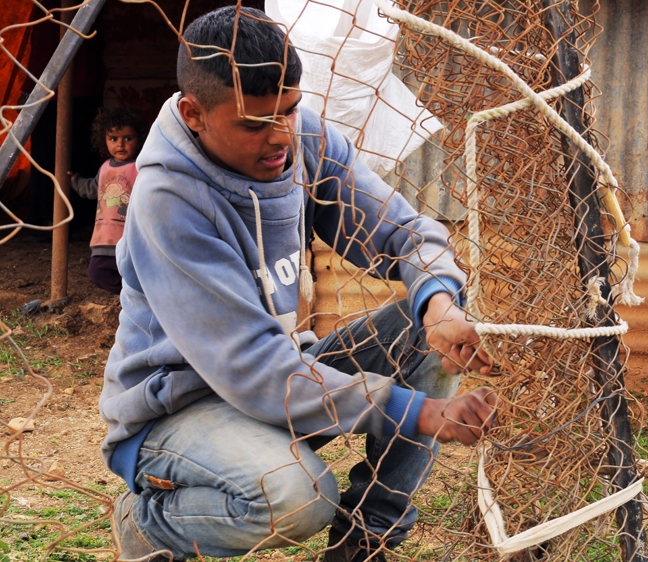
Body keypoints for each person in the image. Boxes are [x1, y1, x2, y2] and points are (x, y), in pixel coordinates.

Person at [99, 6, 496, 562]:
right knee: (298, 498)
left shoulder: (302, 137)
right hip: (177, 411)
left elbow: (404, 232)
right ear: (194, 114)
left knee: (429, 317)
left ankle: (365, 542)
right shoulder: (168, 200)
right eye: (254, 123)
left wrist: (439, 305)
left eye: (289, 109)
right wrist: (418, 412)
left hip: (277, 377)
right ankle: (148, 526)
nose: (281, 136)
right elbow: (253, 366)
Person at [68, 106, 146, 293]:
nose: (120, 144)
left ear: (139, 139)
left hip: (130, 237)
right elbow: (93, 188)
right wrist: (74, 181)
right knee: (97, 273)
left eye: (128, 138)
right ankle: (130, 295)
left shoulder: (140, 168)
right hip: (104, 236)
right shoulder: (105, 168)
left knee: (133, 272)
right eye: (113, 139)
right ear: (104, 140)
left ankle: (136, 298)